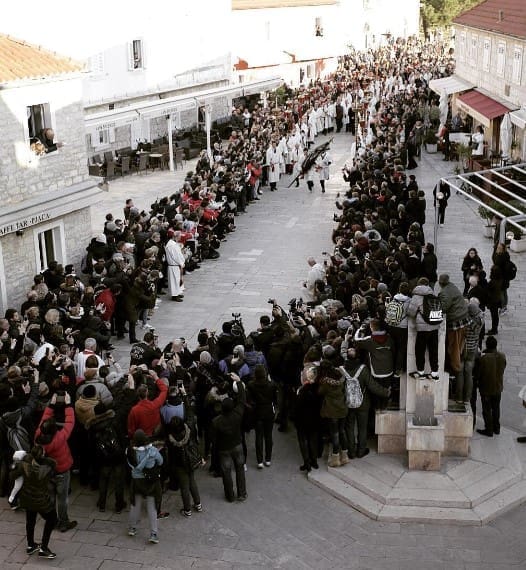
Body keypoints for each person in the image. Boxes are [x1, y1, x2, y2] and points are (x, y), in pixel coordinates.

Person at [35, 393, 77, 533]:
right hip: (62, 471)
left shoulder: (38, 437)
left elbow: (43, 420)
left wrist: (51, 406)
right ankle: (63, 522)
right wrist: (68, 405)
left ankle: (52, 520)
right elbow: (70, 422)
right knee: (62, 498)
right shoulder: (60, 438)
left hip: (48, 471)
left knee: (51, 496)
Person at [12, 445, 58, 559]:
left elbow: (12, 476)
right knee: (52, 519)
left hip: (27, 498)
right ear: (42, 456)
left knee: (30, 521)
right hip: (42, 500)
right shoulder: (47, 468)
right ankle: (44, 548)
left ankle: (30, 545)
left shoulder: (24, 465)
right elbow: (54, 478)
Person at [211, 374, 247, 502]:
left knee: (226, 472)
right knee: (240, 468)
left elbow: (214, 439)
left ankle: (230, 496)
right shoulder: (237, 414)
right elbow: (242, 399)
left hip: (224, 449)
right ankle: (242, 493)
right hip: (237, 444)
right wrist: (239, 382)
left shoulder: (216, 421)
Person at [126, 429, 164, 543]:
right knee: (152, 507)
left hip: (136, 481)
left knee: (135, 505)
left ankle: (132, 528)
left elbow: (128, 465)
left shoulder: (129, 451)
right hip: (150, 482)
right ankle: (153, 533)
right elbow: (161, 461)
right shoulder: (152, 451)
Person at [165, 416, 203, 517]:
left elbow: (171, 455)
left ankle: (187, 510)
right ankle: (198, 504)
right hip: (191, 461)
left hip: (180, 465)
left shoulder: (171, 439)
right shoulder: (188, 431)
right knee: (192, 482)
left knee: (184, 487)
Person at [406, 278, 440, 380]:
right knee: (434, 350)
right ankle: (434, 373)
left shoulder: (416, 297)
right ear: (428, 285)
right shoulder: (433, 295)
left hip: (422, 328)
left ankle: (420, 372)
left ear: (418, 285)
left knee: (420, 350)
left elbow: (411, 313)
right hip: (434, 326)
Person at [247, 364, 277, 469]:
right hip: (269, 412)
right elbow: (275, 399)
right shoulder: (272, 384)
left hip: (257, 412)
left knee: (258, 436)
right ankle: (268, 459)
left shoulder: (251, 385)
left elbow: (249, 399)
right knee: (268, 436)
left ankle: (259, 461)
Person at [476, 336, 506, 437]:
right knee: (496, 408)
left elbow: (479, 373)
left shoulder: (484, 358)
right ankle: (496, 428)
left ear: (487, 345)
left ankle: (489, 429)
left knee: (487, 409)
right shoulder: (502, 356)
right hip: (498, 387)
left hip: (486, 388)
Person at [164, 230, 185, 302]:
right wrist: (181, 263)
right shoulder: (172, 245)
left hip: (176, 265)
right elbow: (176, 256)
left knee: (178, 280)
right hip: (174, 265)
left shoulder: (173, 244)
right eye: (179, 236)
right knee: (174, 281)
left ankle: (178, 292)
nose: (180, 238)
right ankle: (174, 295)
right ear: (176, 236)